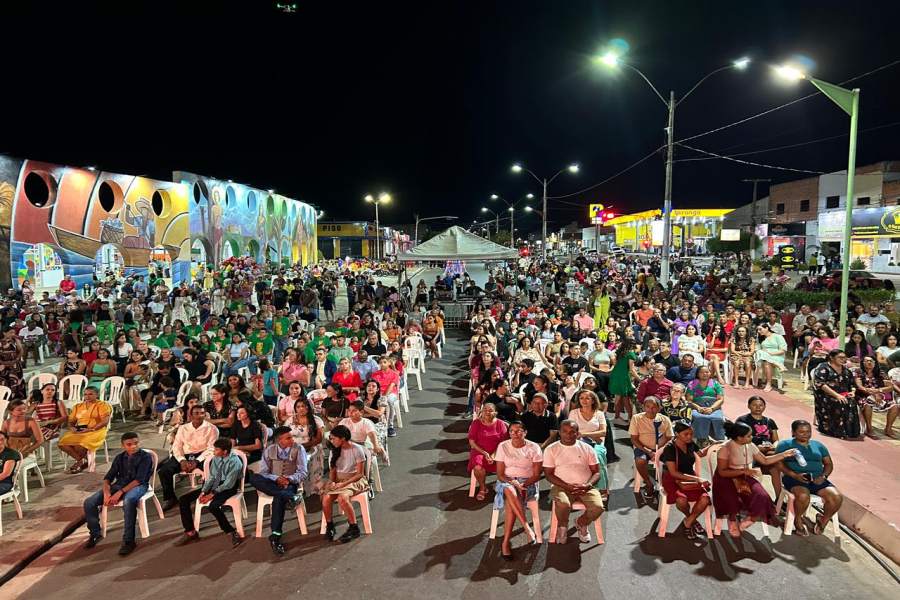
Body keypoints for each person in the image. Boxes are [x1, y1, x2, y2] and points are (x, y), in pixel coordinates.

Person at [712, 421, 796, 538]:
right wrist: (743, 471)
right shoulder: (725, 449)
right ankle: (732, 521)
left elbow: (765, 460)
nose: (752, 437)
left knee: (762, 496)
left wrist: (783, 455)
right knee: (731, 499)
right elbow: (722, 472)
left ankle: (749, 520)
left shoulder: (750, 445)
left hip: (744, 476)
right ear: (739, 438)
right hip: (726, 478)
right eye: (749, 436)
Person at [82, 432, 154, 555]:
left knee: (129, 501)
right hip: (120, 484)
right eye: (129, 444)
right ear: (123, 446)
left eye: (136, 443)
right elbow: (108, 477)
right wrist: (106, 493)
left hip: (139, 486)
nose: (133, 447)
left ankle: (128, 541)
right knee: (89, 502)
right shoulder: (120, 458)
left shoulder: (145, 457)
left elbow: (139, 480)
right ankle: (94, 534)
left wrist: (119, 493)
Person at [775, 420, 844, 536]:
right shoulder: (785, 445)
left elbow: (828, 464)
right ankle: (797, 519)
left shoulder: (819, 446)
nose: (805, 434)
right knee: (803, 496)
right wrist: (794, 475)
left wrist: (824, 476)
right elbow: (778, 463)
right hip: (794, 478)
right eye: (801, 432)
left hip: (818, 479)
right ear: (793, 432)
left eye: (808, 432)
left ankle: (823, 520)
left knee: (837, 497)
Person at [248, 426, 309, 555]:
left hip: (290, 483)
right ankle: (290, 497)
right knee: (253, 477)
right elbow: (264, 472)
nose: (292, 439)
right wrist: (276, 479)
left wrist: (288, 478)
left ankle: (275, 535)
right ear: (279, 440)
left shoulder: (299, 449)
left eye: (291, 436)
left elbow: (303, 472)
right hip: (273, 483)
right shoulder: (269, 450)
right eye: (288, 438)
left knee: (278, 498)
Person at [175, 438, 245, 548]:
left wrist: (211, 494)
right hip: (215, 484)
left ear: (225, 451)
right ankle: (190, 532)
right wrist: (203, 492)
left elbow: (228, 484)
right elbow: (211, 477)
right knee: (183, 499)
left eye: (216, 449)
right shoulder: (216, 458)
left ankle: (231, 531)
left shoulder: (235, 462)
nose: (214, 452)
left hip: (228, 487)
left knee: (213, 506)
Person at [542, 420, 604, 544]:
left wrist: (587, 485)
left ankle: (581, 523)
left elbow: (596, 472)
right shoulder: (551, 449)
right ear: (559, 433)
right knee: (563, 504)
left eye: (572, 432)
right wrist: (567, 486)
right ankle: (562, 528)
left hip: (585, 486)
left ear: (577, 433)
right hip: (561, 486)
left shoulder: (587, 448)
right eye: (564, 432)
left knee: (598, 507)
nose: (568, 435)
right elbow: (548, 474)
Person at [494, 420, 543, 559]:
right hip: (506, 481)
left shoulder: (534, 447)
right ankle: (527, 529)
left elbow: (536, 474)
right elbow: (500, 474)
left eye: (518, 431)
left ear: (525, 432)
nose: (514, 434)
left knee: (510, 502)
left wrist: (523, 484)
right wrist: (512, 482)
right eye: (511, 431)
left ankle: (505, 543)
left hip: (528, 483)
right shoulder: (502, 446)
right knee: (509, 489)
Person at [157, 405, 218, 511]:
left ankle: (205, 496)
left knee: (211, 471)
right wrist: (182, 460)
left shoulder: (212, 429)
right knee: (164, 471)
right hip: (185, 455)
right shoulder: (183, 428)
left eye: (202, 413)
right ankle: (170, 498)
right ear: (190, 415)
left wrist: (197, 461)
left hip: (202, 455)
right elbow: (177, 446)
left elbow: (211, 449)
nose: (200, 416)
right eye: (196, 413)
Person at [659, 420, 713, 540]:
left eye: (691, 434)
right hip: (672, 479)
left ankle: (688, 522)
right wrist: (698, 479)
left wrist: (713, 445)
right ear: (677, 434)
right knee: (681, 501)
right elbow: (673, 472)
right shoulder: (670, 448)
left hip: (689, 476)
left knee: (705, 499)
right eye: (686, 434)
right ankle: (691, 519)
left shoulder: (690, 444)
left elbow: (700, 454)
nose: (689, 437)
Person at [321, 425, 370, 543]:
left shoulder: (357, 449)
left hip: (354, 480)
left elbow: (359, 474)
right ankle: (330, 525)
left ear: (342, 438)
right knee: (326, 498)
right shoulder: (334, 451)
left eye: (333, 438)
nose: (331, 441)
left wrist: (343, 485)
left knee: (343, 498)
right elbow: (333, 472)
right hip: (339, 480)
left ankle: (354, 527)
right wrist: (331, 482)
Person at [736, 395, 783, 498]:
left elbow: (776, 440)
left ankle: (779, 499)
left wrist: (773, 446)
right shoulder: (742, 420)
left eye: (761, 405)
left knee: (776, 466)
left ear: (764, 407)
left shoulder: (769, 421)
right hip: (749, 452)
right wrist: (757, 448)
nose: (758, 408)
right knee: (749, 469)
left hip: (766, 451)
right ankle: (745, 497)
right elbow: (738, 439)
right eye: (754, 405)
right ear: (749, 406)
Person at [629, 396, 673, 501]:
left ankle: (666, 486)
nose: (650, 409)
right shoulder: (636, 418)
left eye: (654, 407)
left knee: (672, 462)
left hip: (661, 448)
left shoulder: (665, 419)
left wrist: (659, 451)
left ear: (659, 408)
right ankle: (648, 483)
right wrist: (648, 451)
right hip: (643, 447)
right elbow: (634, 439)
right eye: (647, 406)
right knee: (640, 460)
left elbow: (670, 437)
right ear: (643, 407)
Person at [58, 387, 112, 473]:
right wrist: (72, 427)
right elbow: (71, 421)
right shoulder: (78, 406)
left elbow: (105, 421)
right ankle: (81, 460)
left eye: (90, 394)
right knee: (62, 443)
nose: (87, 396)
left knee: (80, 443)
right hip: (80, 430)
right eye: (85, 394)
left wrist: (91, 429)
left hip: (96, 430)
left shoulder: (102, 405)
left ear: (96, 395)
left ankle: (79, 463)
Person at [812, 350, 860, 439]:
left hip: (843, 394)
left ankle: (849, 430)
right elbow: (820, 384)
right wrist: (836, 395)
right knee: (838, 402)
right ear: (831, 357)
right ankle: (833, 430)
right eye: (840, 358)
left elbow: (852, 384)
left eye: (844, 358)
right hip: (826, 395)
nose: (843, 360)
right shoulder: (823, 368)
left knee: (851, 401)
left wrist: (852, 392)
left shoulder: (846, 371)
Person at [467, 403, 510, 501]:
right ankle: (483, 487)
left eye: (490, 410)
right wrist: (485, 453)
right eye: (485, 409)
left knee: (507, 464)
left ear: (495, 413)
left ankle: (503, 486)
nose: (487, 412)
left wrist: (493, 454)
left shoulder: (500, 424)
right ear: (481, 412)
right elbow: (472, 442)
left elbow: (503, 443)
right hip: (479, 451)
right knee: (478, 467)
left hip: (497, 451)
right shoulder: (476, 423)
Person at [854, 355, 895, 439]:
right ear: (863, 362)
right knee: (867, 405)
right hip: (863, 396)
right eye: (867, 361)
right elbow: (860, 387)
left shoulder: (881, 373)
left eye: (871, 361)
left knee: (895, 406)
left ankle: (888, 428)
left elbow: (890, 387)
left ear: (875, 363)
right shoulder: (858, 372)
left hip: (879, 395)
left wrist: (878, 391)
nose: (869, 362)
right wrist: (873, 394)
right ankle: (869, 428)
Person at [686, 366, 726, 444]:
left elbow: (720, 399)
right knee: (698, 417)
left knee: (718, 418)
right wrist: (698, 408)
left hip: (714, 407)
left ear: (710, 373)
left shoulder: (715, 384)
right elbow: (689, 400)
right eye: (702, 372)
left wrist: (712, 408)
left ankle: (718, 440)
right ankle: (700, 439)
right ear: (698, 374)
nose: (705, 374)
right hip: (697, 406)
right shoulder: (692, 384)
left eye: (707, 372)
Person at [609, 338, 638, 421]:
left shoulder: (619, 352)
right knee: (626, 397)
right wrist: (640, 379)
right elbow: (632, 370)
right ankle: (630, 417)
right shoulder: (631, 354)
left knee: (618, 397)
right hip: (623, 376)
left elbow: (614, 362)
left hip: (615, 375)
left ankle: (617, 416)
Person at [755, 323, 787, 391]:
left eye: (760, 329)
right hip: (764, 357)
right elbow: (757, 349)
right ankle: (779, 366)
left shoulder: (778, 336)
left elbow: (783, 350)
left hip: (777, 356)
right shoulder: (761, 338)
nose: (759, 331)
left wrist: (771, 353)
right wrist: (764, 352)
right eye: (758, 330)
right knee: (761, 354)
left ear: (766, 328)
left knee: (767, 362)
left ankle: (769, 384)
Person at [0, 325, 25, 400]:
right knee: (5, 382)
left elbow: (20, 351)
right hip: (2, 366)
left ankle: (17, 399)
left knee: (17, 381)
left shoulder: (15, 340)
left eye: (14, 332)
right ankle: (5, 399)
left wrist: (16, 359)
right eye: (11, 332)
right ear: (4, 333)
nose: (13, 334)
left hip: (15, 365)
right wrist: (4, 363)